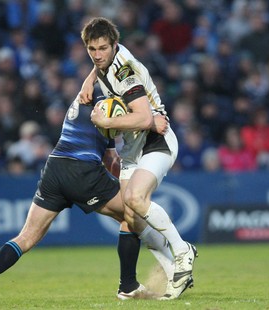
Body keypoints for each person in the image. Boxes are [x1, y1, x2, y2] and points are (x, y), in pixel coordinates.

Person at [0, 86, 179, 303]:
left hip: (54, 169)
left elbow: (110, 160)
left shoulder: (83, 101)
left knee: (26, 237)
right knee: (132, 214)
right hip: (82, 170)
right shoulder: (98, 96)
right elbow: (100, 76)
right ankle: (130, 284)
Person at [78, 17, 197, 300]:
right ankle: (173, 273)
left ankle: (182, 251)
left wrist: (105, 120)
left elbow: (145, 118)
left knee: (134, 199)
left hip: (157, 140)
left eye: (103, 48)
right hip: (132, 149)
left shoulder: (125, 73)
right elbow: (99, 66)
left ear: (114, 45)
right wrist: (89, 80)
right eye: (92, 49)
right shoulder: (106, 61)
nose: (97, 54)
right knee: (130, 217)